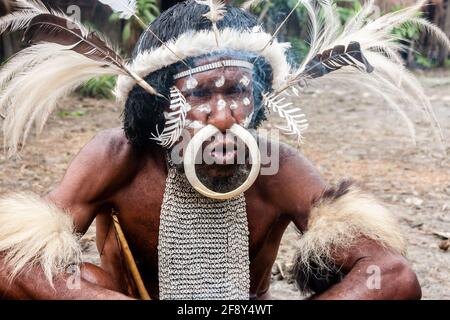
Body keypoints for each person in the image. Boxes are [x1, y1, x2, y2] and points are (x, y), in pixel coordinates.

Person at [2, 0, 446, 300]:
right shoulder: (118, 158)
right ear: (156, 100)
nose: (222, 116)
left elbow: (392, 275)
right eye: (199, 94)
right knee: (80, 280)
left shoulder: (276, 169)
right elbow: (11, 264)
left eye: (237, 91)